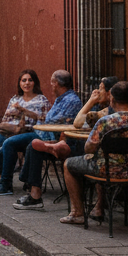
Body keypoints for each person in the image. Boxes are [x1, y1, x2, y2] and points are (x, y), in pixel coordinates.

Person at [59, 80, 128, 225]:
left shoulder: (105, 122)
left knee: (68, 164)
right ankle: (98, 207)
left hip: (108, 171)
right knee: (101, 158)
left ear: (112, 99)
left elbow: (88, 148)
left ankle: (77, 213)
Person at [12, 69, 84, 209]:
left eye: (52, 82)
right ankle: (34, 193)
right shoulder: (61, 99)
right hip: (49, 136)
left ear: (56, 84)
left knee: (28, 145)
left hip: (66, 142)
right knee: (30, 146)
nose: (51, 85)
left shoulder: (71, 100)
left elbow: (58, 122)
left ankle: (33, 192)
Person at [0, 69, 50, 195]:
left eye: (30, 80)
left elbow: (44, 119)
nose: (27, 83)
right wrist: (7, 126)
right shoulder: (15, 99)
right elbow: (6, 118)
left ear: (35, 83)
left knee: (5, 148)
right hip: (9, 130)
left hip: (28, 132)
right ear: (20, 83)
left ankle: (3, 181)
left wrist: (22, 111)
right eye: (24, 80)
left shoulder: (42, 100)